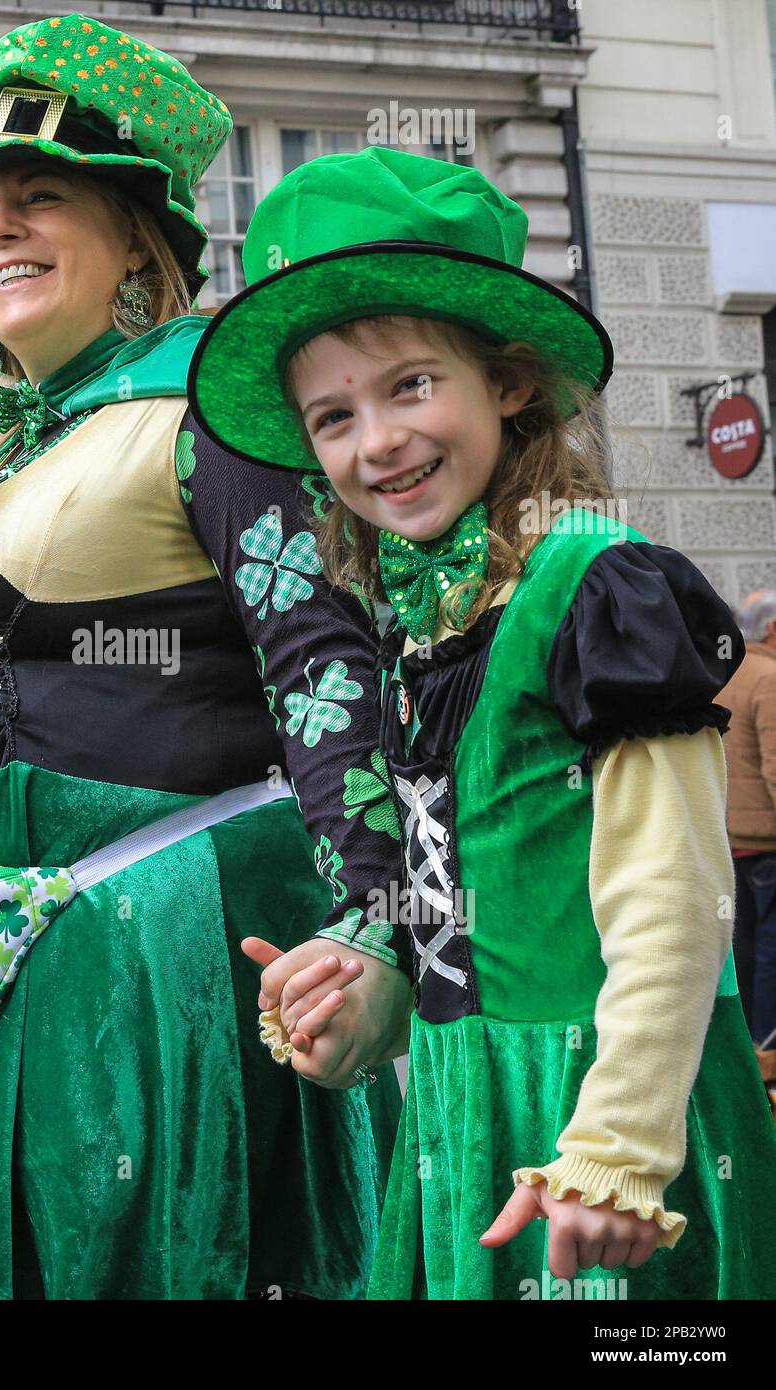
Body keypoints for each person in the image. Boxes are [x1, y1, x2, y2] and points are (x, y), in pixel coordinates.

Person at [0, 14, 411, 1302]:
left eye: (39, 200)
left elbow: (319, 656)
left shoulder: (214, 402)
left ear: (139, 241)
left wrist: (370, 926)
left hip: (143, 966)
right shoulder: (6, 445)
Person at [189, 146, 776, 1299]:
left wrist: (615, 1154)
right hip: (462, 1113)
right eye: (332, 416)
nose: (376, 443)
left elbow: (674, 896)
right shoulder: (420, 625)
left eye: (410, 385)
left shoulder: (594, 584)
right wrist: (367, 994)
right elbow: (468, 910)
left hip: (602, 1120)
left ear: (507, 382)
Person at [719, 590, 776, 1051]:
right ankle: (769, 1043)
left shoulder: (723, 674)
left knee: (745, 945)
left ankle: (750, 1044)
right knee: (771, 946)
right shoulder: (769, 678)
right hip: (767, 841)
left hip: (729, 836)